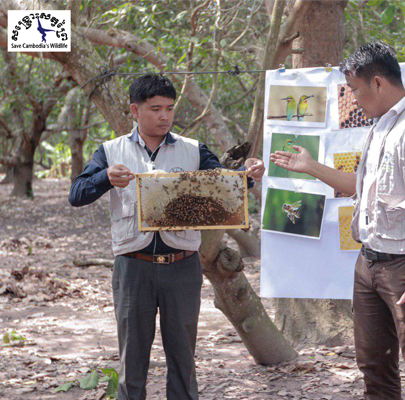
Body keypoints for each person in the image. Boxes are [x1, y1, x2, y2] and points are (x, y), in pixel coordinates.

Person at [270, 42, 405, 399]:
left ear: (378, 83)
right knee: (374, 366)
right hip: (368, 262)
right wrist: (310, 167)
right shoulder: (381, 127)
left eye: (354, 90)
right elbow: (358, 187)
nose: (353, 99)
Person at [69, 74, 264, 400]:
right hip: (133, 268)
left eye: (170, 109)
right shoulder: (111, 151)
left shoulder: (193, 150)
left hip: (182, 267)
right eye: (156, 108)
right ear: (135, 110)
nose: (164, 116)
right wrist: (105, 177)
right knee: (132, 359)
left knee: (183, 357)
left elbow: (225, 184)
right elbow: (77, 194)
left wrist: (247, 176)